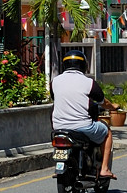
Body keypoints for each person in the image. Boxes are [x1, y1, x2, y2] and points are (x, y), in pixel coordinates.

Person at [50, 50, 117, 179]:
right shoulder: (89, 83)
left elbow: (56, 99)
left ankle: (60, 165)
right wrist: (113, 106)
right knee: (107, 132)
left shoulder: (54, 82)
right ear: (84, 66)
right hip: (83, 127)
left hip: (59, 127)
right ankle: (104, 169)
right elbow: (103, 102)